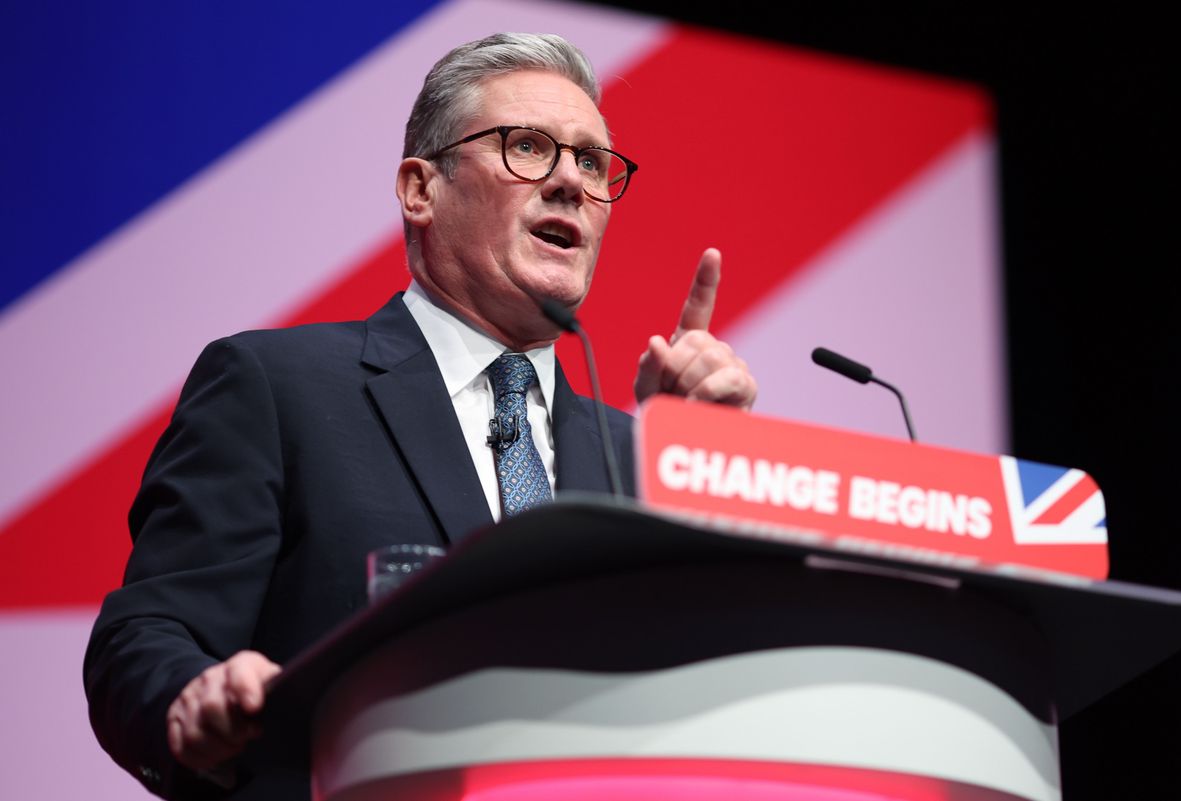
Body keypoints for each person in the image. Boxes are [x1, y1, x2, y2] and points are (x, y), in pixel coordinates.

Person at [84, 32, 756, 801]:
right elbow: (142, 640)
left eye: (593, 162)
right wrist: (191, 696)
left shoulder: (644, 451)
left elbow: (702, 698)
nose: (572, 181)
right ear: (419, 188)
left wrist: (711, 470)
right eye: (528, 147)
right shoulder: (277, 387)